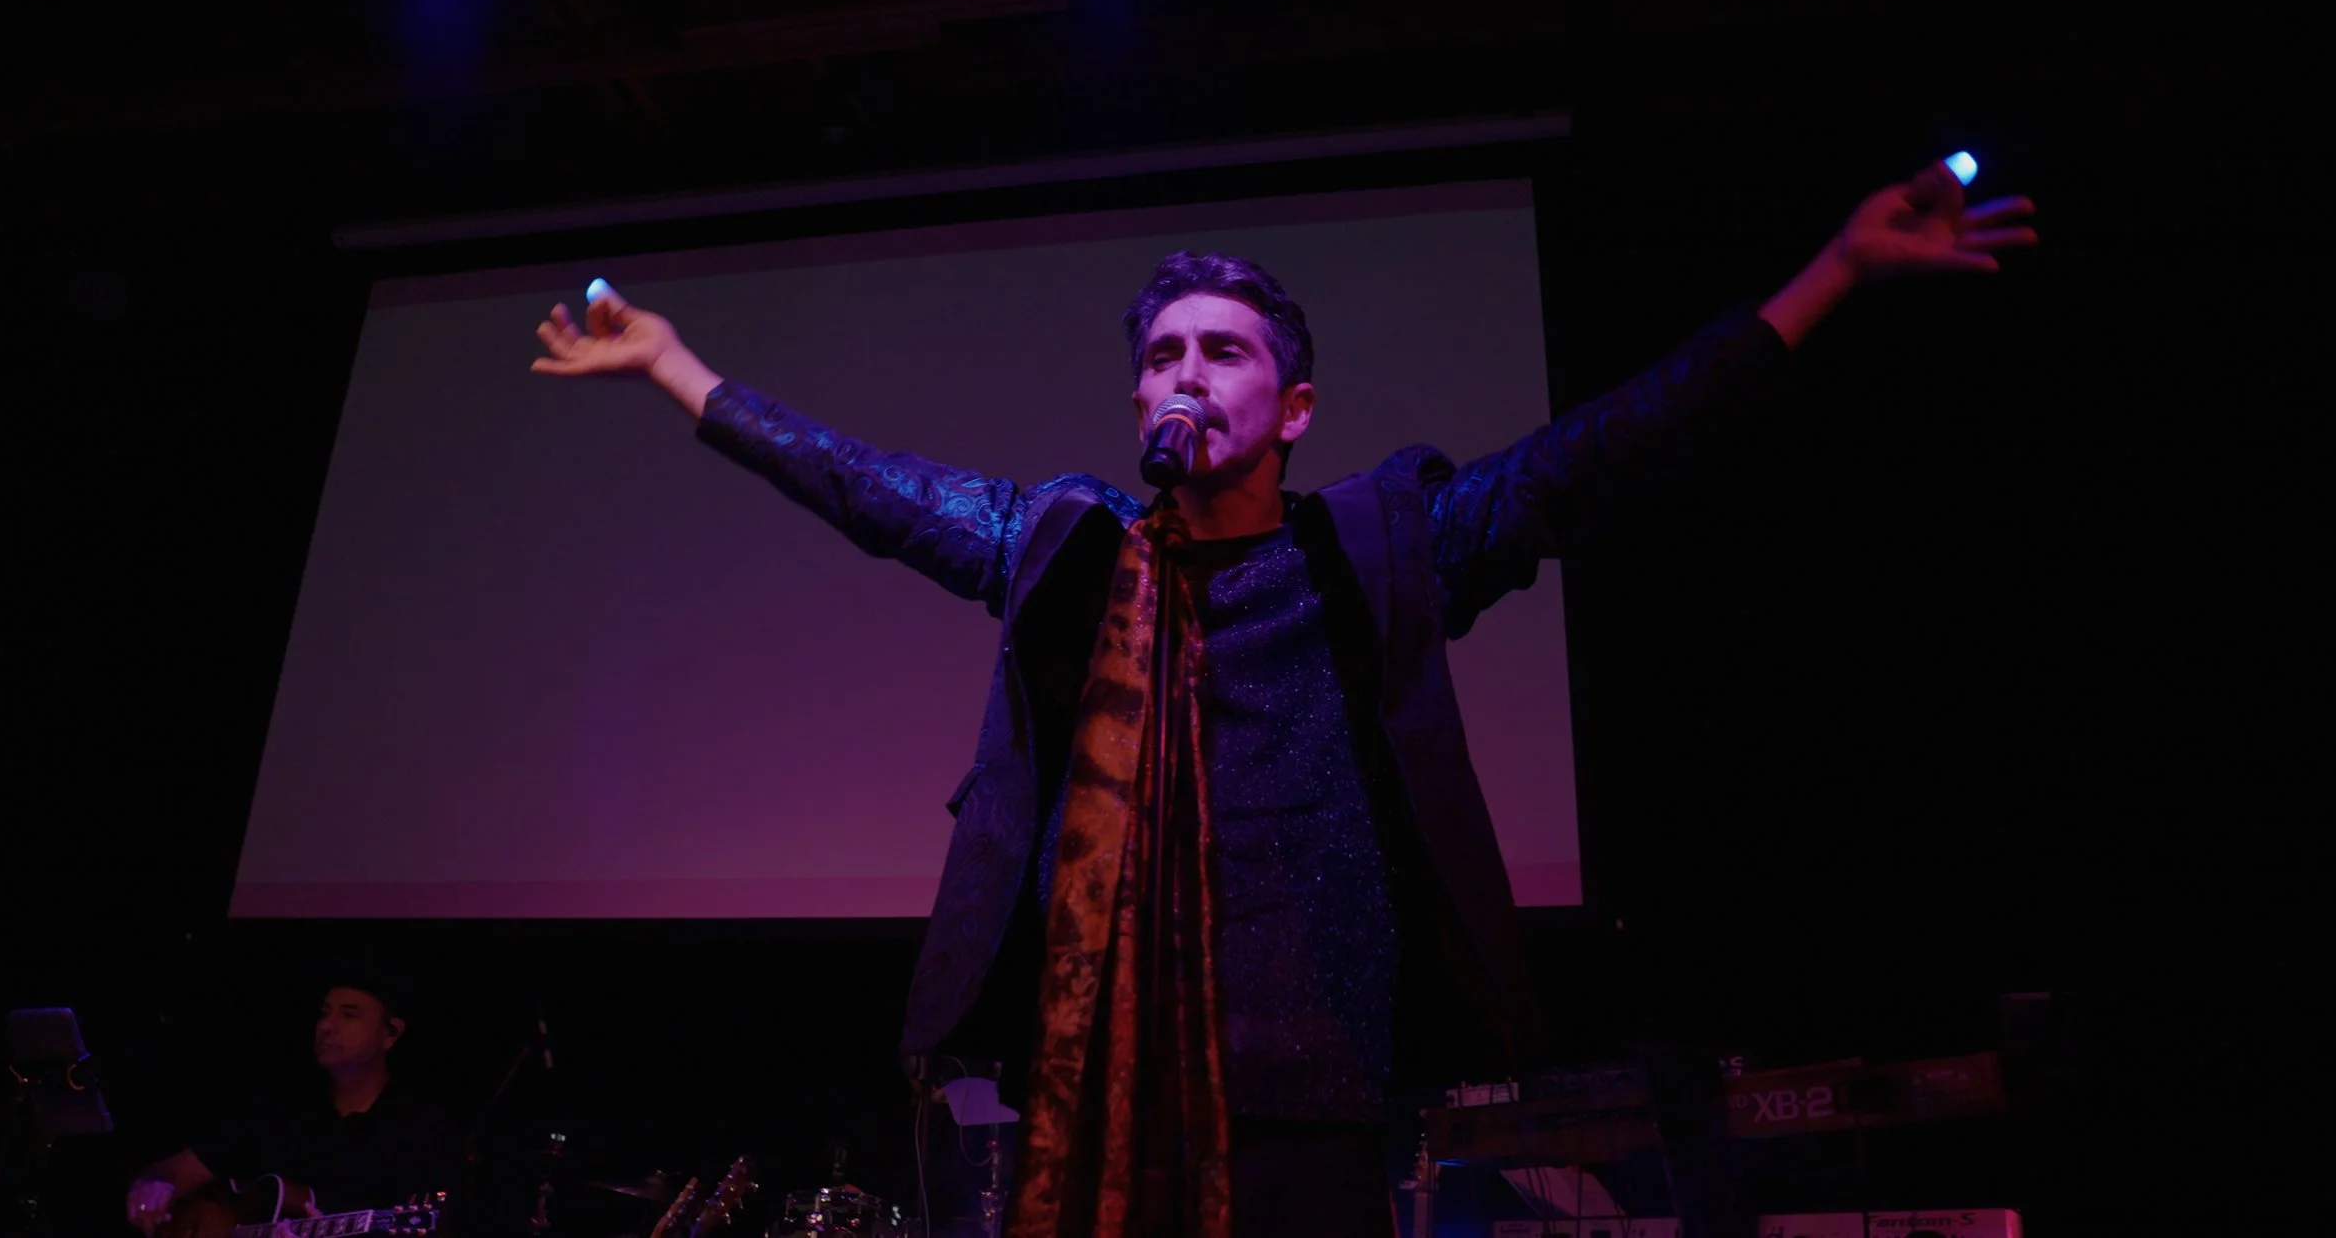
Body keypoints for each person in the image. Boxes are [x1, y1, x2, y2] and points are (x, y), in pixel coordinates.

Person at [531, 160, 2034, 1237]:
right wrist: (682, 369)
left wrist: (1830, 275)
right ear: (1138, 400)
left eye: (1224, 351)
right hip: (1095, 1078)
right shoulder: (1063, 548)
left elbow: (1606, 452)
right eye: (1164, 354)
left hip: (1307, 1076)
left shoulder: (1377, 546)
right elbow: (863, 488)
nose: (1188, 373)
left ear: (1290, 404)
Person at [125, 975, 458, 1234]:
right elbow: (172, 1171)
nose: (327, 1026)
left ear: (392, 1033)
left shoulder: (420, 1129)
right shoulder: (282, 1109)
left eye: (349, 1015)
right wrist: (151, 1188)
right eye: (324, 1013)